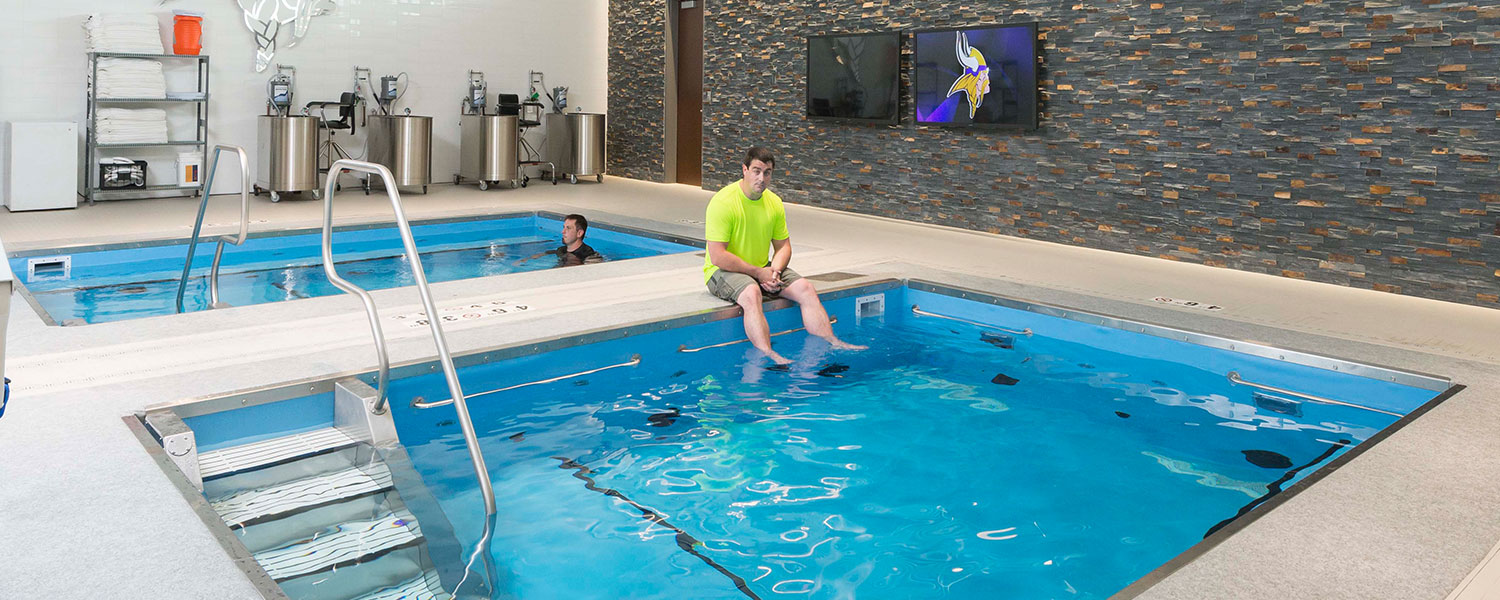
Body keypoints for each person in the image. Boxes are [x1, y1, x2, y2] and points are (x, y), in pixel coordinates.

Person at [703, 147, 863, 364]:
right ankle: (769, 354)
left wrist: (775, 272)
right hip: (721, 272)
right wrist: (758, 273)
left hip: (762, 268)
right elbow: (717, 256)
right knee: (751, 293)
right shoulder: (723, 202)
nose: (761, 178)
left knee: (806, 288)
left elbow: (783, 246)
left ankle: (832, 341)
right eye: (756, 171)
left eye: (767, 172)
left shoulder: (774, 202)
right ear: (744, 170)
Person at [519, 214, 602, 267]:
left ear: (579, 233)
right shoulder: (562, 250)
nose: (563, 232)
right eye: (563, 227)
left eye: (568, 228)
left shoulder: (589, 256)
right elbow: (551, 252)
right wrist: (526, 259)